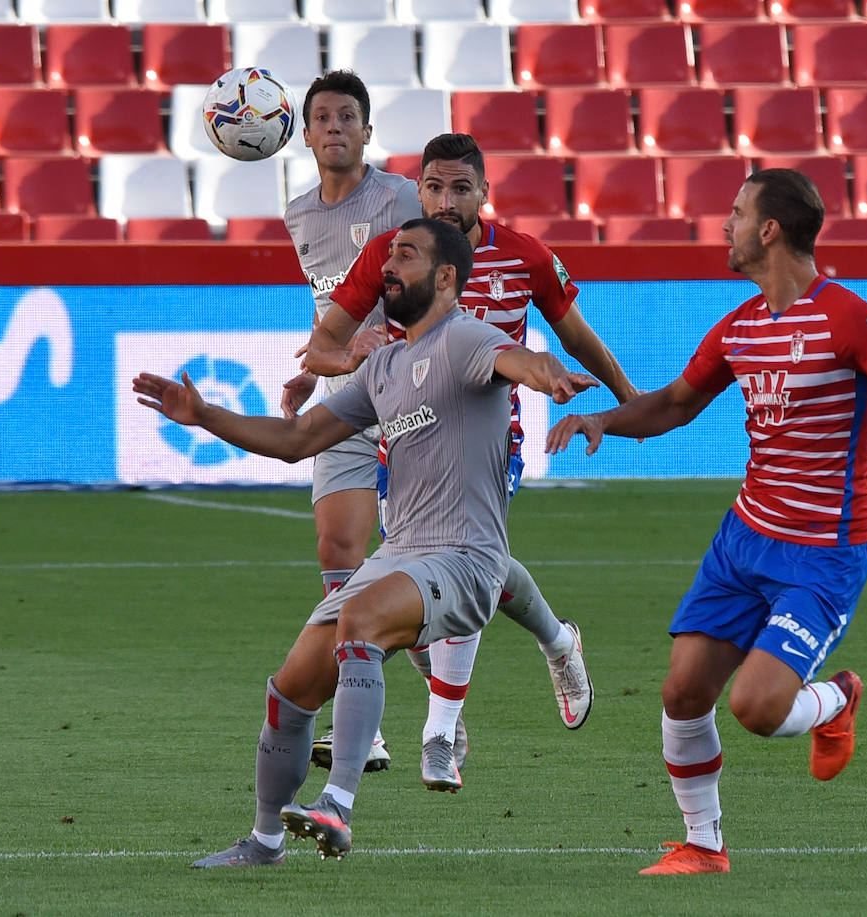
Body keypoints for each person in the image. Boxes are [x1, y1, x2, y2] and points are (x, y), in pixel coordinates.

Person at [546, 168, 867, 875]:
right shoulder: (739, 326)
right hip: (744, 539)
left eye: (736, 213)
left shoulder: (849, 317)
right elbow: (676, 402)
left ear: (768, 229)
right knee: (682, 690)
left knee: (759, 706)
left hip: (822, 552)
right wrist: (601, 420)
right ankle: (704, 843)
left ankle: (835, 699)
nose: (725, 225)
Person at [134, 218, 599, 866]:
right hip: (401, 552)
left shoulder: (465, 337)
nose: (389, 265)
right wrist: (205, 414)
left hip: (465, 558)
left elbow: (513, 358)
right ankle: (266, 841)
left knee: (361, 617)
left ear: (444, 278)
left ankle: (338, 804)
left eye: (404, 255)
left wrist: (546, 372)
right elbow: (298, 440)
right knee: (292, 686)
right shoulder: (383, 364)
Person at [305, 132, 638, 782]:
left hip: (492, 440)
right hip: (406, 438)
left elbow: (575, 335)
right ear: (418, 189)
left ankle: (439, 728)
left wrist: (632, 403)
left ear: (485, 194)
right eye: (434, 185)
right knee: (444, 570)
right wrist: (345, 356)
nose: (446, 199)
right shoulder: (392, 253)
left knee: (457, 553)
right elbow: (321, 347)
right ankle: (557, 639)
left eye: (461, 187)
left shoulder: (525, 257)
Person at [279, 69, 421, 771]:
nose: (334, 127)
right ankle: (364, 719)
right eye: (322, 118)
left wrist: (390, 335)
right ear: (304, 134)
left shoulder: (398, 197)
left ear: (367, 131)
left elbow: (431, 281)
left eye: (347, 117)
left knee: (422, 563)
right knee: (338, 548)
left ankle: (445, 706)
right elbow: (327, 305)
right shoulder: (299, 213)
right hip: (347, 398)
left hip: (410, 394)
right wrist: (315, 366)